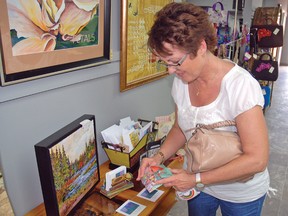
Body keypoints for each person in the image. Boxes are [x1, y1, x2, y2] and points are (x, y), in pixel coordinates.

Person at [137, 2, 270, 216]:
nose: (170, 71)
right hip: (199, 185)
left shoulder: (240, 86)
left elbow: (257, 159)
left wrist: (194, 179)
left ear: (200, 47)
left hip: (240, 192)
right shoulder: (182, 81)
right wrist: (158, 156)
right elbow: (182, 128)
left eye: (175, 62)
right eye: (164, 63)